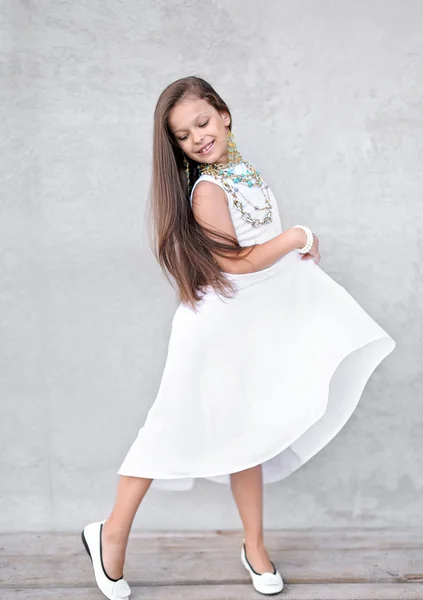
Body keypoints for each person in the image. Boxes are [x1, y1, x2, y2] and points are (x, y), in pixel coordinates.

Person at [81, 76, 396, 599]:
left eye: (202, 123)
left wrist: (292, 254)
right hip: (213, 330)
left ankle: (254, 546)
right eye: (183, 136)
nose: (197, 138)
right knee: (167, 430)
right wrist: (298, 236)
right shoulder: (207, 189)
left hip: (248, 325)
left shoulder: (241, 172)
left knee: (247, 431)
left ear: (224, 114)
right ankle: (109, 533)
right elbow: (240, 262)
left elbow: (256, 251)